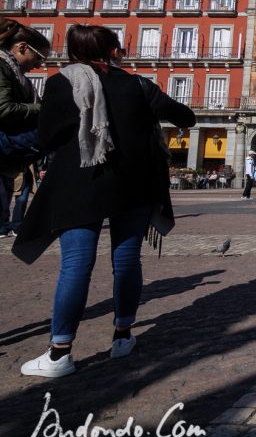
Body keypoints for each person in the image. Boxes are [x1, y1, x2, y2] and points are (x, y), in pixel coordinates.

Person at [14, 24, 195, 377]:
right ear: (111, 51)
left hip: (82, 185)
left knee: (76, 265)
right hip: (133, 185)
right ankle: (123, 337)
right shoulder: (137, 84)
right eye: (119, 46)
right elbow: (185, 117)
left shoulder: (61, 82)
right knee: (127, 261)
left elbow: (48, 137)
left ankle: (59, 353)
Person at [0, 20, 50, 237]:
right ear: (21, 47)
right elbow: (3, 109)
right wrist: (44, 108)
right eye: (38, 57)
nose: (39, 65)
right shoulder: (2, 66)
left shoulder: (16, 73)